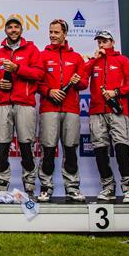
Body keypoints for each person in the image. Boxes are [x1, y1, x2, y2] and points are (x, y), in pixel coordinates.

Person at [0, 17, 44, 195]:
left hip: (25, 104)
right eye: (10, 27)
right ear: (5, 31)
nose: (13, 30)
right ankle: (1, 188)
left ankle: (29, 186)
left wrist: (17, 68)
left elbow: (39, 74)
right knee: (1, 147)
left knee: (26, 147)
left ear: (21, 30)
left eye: (16, 27)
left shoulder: (32, 50)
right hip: (3, 104)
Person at [83, 30, 129, 202]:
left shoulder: (122, 60)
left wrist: (116, 92)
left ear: (112, 42)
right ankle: (108, 187)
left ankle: (128, 187)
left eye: (105, 41)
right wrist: (93, 60)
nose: (101, 44)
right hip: (97, 112)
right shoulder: (94, 61)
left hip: (118, 111)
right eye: (99, 41)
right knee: (100, 151)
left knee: (122, 149)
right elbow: (82, 77)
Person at [36, 19, 88, 202]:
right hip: (49, 107)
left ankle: (72, 187)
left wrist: (77, 82)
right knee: (48, 149)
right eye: (50, 32)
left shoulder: (76, 58)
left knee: (70, 149)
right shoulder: (42, 56)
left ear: (65, 34)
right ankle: (45, 187)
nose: (52, 35)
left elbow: (84, 83)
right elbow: (37, 82)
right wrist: (49, 91)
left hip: (71, 108)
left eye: (56, 32)